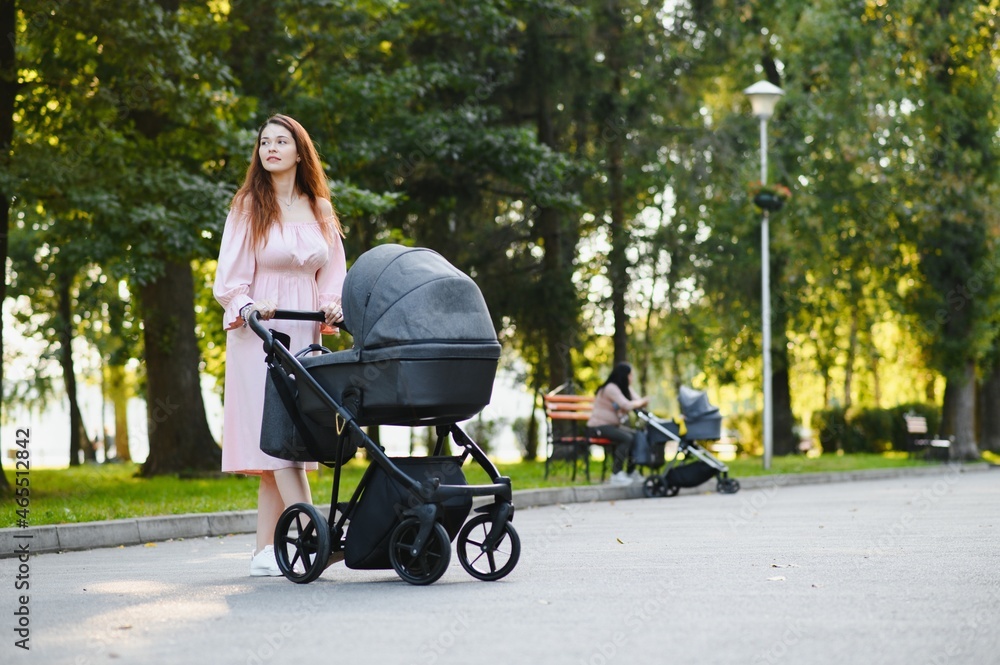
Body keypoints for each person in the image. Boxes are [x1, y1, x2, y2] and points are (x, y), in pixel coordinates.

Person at [213, 114, 347, 577]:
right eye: (264, 142)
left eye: (281, 141)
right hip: (260, 331)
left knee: (287, 436)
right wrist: (250, 306)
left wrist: (331, 305)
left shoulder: (320, 208)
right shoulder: (249, 205)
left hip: (304, 327)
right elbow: (229, 278)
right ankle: (315, 536)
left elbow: (333, 274)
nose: (270, 148)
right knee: (277, 434)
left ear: (299, 151)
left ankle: (264, 553)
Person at [586, 362, 650, 486]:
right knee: (626, 438)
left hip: (612, 426)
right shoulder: (611, 388)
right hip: (598, 426)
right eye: (630, 375)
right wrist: (641, 402)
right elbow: (626, 405)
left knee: (636, 435)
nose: (632, 378)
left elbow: (637, 401)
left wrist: (640, 401)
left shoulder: (624, 388)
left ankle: (631, 472)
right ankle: (616, 474)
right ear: (624, 375)